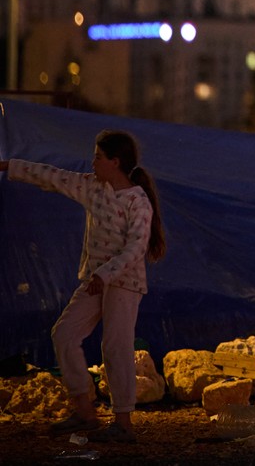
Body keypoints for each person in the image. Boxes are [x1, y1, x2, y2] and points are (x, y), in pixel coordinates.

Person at [1, 130, 167, 445]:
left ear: (115, 162)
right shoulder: (94, 188)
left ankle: (123, 421)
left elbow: (136, 248)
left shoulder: (137, 201)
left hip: (123, 282)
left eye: (98, 157)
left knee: (116, 347)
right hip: (95, 281)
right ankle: (84, 410)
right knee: (64, 334)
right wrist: (10, 166)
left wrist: (104, 275)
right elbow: (54, 176)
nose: (92, 162)